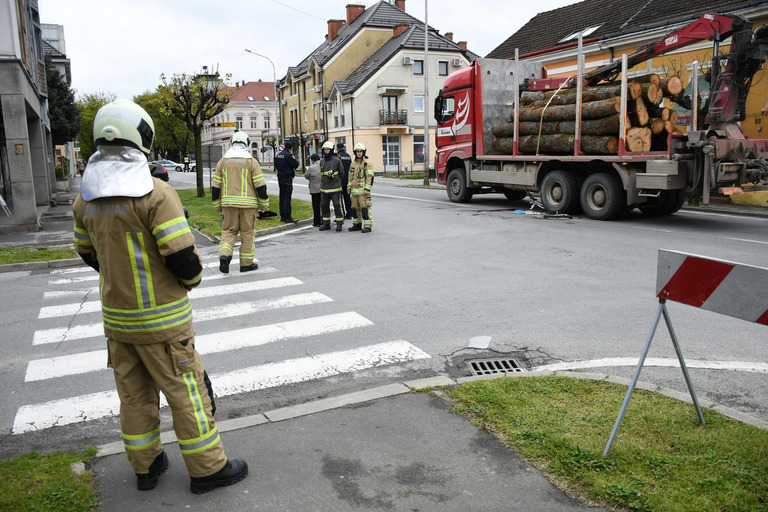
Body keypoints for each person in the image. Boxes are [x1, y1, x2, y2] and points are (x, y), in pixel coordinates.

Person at [72, 99, 247, 494]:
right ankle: (208, 469)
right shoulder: (156, 194)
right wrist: (190, 282)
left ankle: (146, 467)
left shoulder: (85, 200)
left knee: (133, 397)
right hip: (164, 323)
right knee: (188, 394)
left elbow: (88, 254)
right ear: (142, 138)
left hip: (118, 323)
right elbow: (185, 261)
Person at [212, 131, 271, 273]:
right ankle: (246, 264)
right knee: (247, 234)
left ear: (232, 142)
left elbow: (215, 187)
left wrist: (217, 206)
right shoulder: (251, 162)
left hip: (228, 205)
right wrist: (264, 206)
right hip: (248, 206)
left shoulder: (223, 161)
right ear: (247, 143)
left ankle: (225, 256)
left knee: (228, 232)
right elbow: (260, 186)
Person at [347, 142, 374, 233]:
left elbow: (370, 177)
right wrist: (349, 187)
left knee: (365, 209)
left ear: (363, 152)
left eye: (361, 151)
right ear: (355, 152)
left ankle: (367, 225)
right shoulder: (353, 163)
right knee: (355, 209)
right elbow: (350, 176)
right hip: (354, 192)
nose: (359, 153)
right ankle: (357, 224)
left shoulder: (367, 163)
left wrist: (367, 189)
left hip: (363, 192)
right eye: (357, 151)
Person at [318, 140, 345, 231]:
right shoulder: (321, 161)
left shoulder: (337, 161)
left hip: (335, 189)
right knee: (324, 206)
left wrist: (336, 181)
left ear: (331, 150)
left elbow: (342, 173)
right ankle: (326, 224)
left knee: (337, 206)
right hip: (324, 189)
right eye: (325, 150)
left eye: (328, 149)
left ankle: (339, 223)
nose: (326, 151)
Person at [275, 140, 299, 223]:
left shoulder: (278, 155)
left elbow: (276, 166)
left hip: (280, 177)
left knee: (281, 196)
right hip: (287, 178)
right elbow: (295, 165)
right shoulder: (288, 155)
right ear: (291, 148)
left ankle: (282, 215)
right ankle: (287, 216)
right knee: (287, 197)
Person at [304, 153, 322, 226]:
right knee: (323, 206)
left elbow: (306, 176)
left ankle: (317, 222)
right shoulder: (323, 165)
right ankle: (324, 221)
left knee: (316, 207)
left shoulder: (311, 168)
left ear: (313, 160)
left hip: (314, 190)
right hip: (323, 189)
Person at [336, 142, 353, 219]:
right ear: (343, 148)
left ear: (337, 148)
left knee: (339, 198)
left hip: (339, 179)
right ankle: (349, 213)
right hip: (347, 179)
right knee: (347, 197)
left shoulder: (337, 156)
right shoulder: (348, 156)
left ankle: (342, 213)